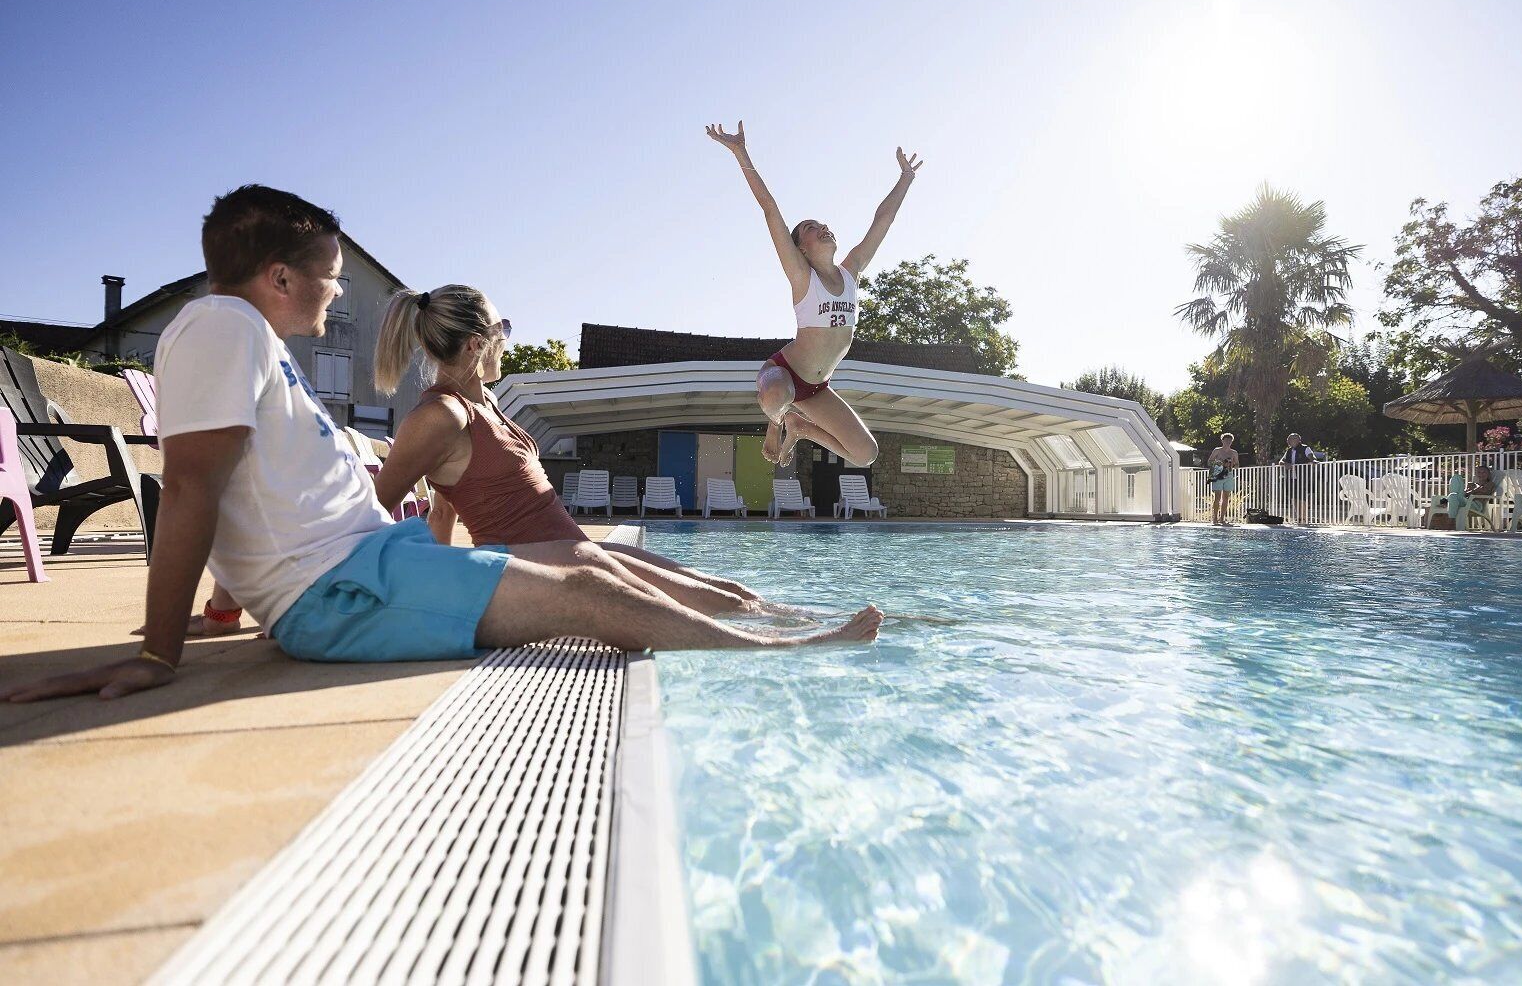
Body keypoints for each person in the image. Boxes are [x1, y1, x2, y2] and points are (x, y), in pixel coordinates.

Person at [0, 185, 882, 704]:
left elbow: (255, 492)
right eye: (329, 278)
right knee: (586, 591)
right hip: (337, 593)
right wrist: (160, 652)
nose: (336, 293)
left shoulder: (245, 339)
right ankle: (778, 653)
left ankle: (775, 636)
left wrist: (225, 609)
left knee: (595, 579)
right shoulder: (223, 327)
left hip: (366, 565)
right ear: (278, 277)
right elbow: (192, 486)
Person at [370, 283, 769, 617]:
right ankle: (803, 639)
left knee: (732, 593)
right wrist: (440, 599)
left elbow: (445, 507)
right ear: (477, 344)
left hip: (571, 549)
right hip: (537, 567)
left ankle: (804, 629)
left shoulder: (485, 402)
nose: (507, 339)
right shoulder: (440, 416)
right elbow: (373, 511)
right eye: (502, 328)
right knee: (722, 607)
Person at [706, 120, 920, 466]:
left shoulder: (852, 271)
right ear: (801, 249)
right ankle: (777, 423)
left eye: (823, 224)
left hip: (817, 388)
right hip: (783, 374)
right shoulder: (802, 277)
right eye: (810, 227)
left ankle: (801, 427)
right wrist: (740, 153)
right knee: (777, 396)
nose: (823, 227)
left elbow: (883, 220)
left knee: (865, 454)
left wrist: (906, 178)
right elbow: (769, 209)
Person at [1278, 432, 1317, 525]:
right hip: (1291, 477)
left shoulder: (1305, 448)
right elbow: (1281, 461)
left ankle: (1304, 518)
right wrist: (1285, 464)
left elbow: (1312, 457)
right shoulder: (1288, 451)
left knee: (1302, 497)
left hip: (1302, 477)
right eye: (1289, 439)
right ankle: (1298, 517)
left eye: (1293, 439)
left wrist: (1312, 461)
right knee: (1294, 497)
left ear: (1299, 440)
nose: (1291, 441)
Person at [1206, 433, 1239, 526]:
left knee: (1226, 497)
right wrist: (1220, 463)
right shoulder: (1217, 450)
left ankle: (1222, 518)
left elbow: (1237, 465)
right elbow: (1209, 462)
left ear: (1232, 441)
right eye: (1226, 440)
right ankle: (1215, 518)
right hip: (1218, 474)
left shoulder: (1234, 452)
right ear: (1222, 441)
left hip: (1229, 475)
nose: (1228, 442)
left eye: (1230, 441)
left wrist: (1232, 464)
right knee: (1217, 497)